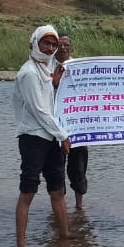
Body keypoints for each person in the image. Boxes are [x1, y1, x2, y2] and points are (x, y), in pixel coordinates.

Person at [13, 24, 72, 247]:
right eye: (46, 43)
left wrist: (55, 83)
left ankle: (65, 237)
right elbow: (39, 110)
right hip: (33, 138)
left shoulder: (48, 70)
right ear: (34, 43)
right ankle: (21, 246)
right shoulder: (28, 72)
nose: (50, 48)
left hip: (51, 138)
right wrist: (63, 135)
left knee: (58, 190)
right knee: (28, 191)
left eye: (53, 44)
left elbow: (50, 102)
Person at [52, 34, 89, 210]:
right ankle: (60, 208)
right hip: (53, 127)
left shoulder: (80, 67)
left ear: (71, 47)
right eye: (59, 45)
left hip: (77, 127)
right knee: (56, 169)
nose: (63, 48)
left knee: (79, 169)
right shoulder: (45, 67)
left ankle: (79, 207)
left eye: (66, 44)